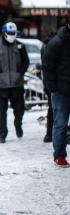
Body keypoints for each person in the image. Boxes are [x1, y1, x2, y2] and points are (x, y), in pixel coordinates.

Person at [0, 22, 29, 144]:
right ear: (4, 33)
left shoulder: (20, 46)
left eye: (14, 33)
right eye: (10, 33)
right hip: (1, 85)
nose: (12, 36)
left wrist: (19, 73)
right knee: (1, 112)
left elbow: (26, 62)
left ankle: (18, 125)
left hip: (17, 84)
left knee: (19, 110)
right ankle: (2, 134)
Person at [42, 22, 70, 167]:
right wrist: (53, 88)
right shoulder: (56, 43)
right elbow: (47, 67)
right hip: (61, 92)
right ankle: (59, 155)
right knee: (60, 124)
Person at [40, 31, 56, 143]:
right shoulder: (55, 46)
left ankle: (50, 133)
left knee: (52, 108)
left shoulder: (45, 46)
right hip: (56, 82)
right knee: (59, 109)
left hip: (48, 82)